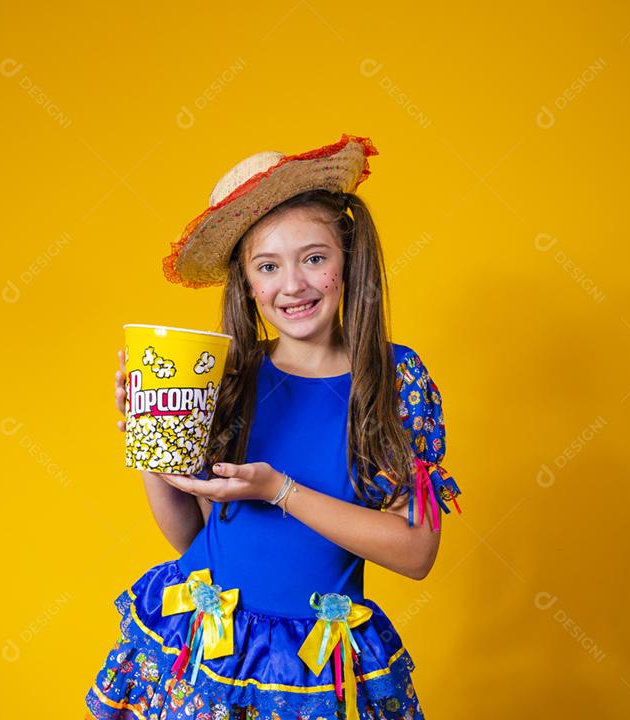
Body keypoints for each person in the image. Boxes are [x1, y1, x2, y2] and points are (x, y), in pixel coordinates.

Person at [84, 134, 462, 720]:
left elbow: (416, 551)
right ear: (247, 283)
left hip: (310, 664)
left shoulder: (393, 379)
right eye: (268, 266)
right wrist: (149, 441)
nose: (293, 285)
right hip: (207, 647)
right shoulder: (230, 375)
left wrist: (277, 491)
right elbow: (191, 535)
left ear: (347, 261)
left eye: (314, 258)